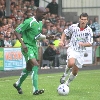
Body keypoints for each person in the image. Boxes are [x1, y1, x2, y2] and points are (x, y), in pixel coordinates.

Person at [13, 7, 50, 95]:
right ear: (37, 12)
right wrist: (23, 44)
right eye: (43, 14)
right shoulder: (29, 21)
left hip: (34, 47)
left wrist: (47, 37)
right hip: (27, 46)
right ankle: (35, 90)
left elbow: (36, 36)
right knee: (35, 65)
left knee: (29, 68)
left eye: (45, 14)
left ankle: (17, 84)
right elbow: (17, 31)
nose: (44, 16)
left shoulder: (40, 23)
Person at [59, 13, 93, 87]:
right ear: (79, 19)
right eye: (82, 19)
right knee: (71, 63)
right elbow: (65, 32)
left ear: (87, 20)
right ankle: (64, 75)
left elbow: (90, 43)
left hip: (81, 52)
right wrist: (61, 41)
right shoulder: (73, 27)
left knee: (75, 72)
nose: (83, 21)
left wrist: (83, 44)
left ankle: (67, 83)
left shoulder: (89, 30)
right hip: (72, 48)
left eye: (85, 19)